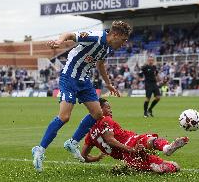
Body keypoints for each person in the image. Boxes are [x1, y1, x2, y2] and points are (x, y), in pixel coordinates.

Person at [32, 21, 132, 172]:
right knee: (64, 116)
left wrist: (108, 83)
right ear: (115, 35)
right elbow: (70, 34)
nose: (124, 44)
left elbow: (100, 65)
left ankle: (72, 143)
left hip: (84, 81)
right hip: (69, 78)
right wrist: (60, 41)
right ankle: (39, 149)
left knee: (98, 114)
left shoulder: (107, 47)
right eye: (123, 39)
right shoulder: (95, 37)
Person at [81, 98, 189, 173]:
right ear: (99, 109)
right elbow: (110, 140)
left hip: (127, 157)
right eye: (108, 107)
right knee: (148, 140)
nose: (110, 110)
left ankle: (155, 166)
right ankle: (166, 148)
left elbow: (83, 156)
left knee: (174, 166)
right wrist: (131, 149)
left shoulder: (90, 135)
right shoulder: (105, 119)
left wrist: (96, 158)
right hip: (131, 143)